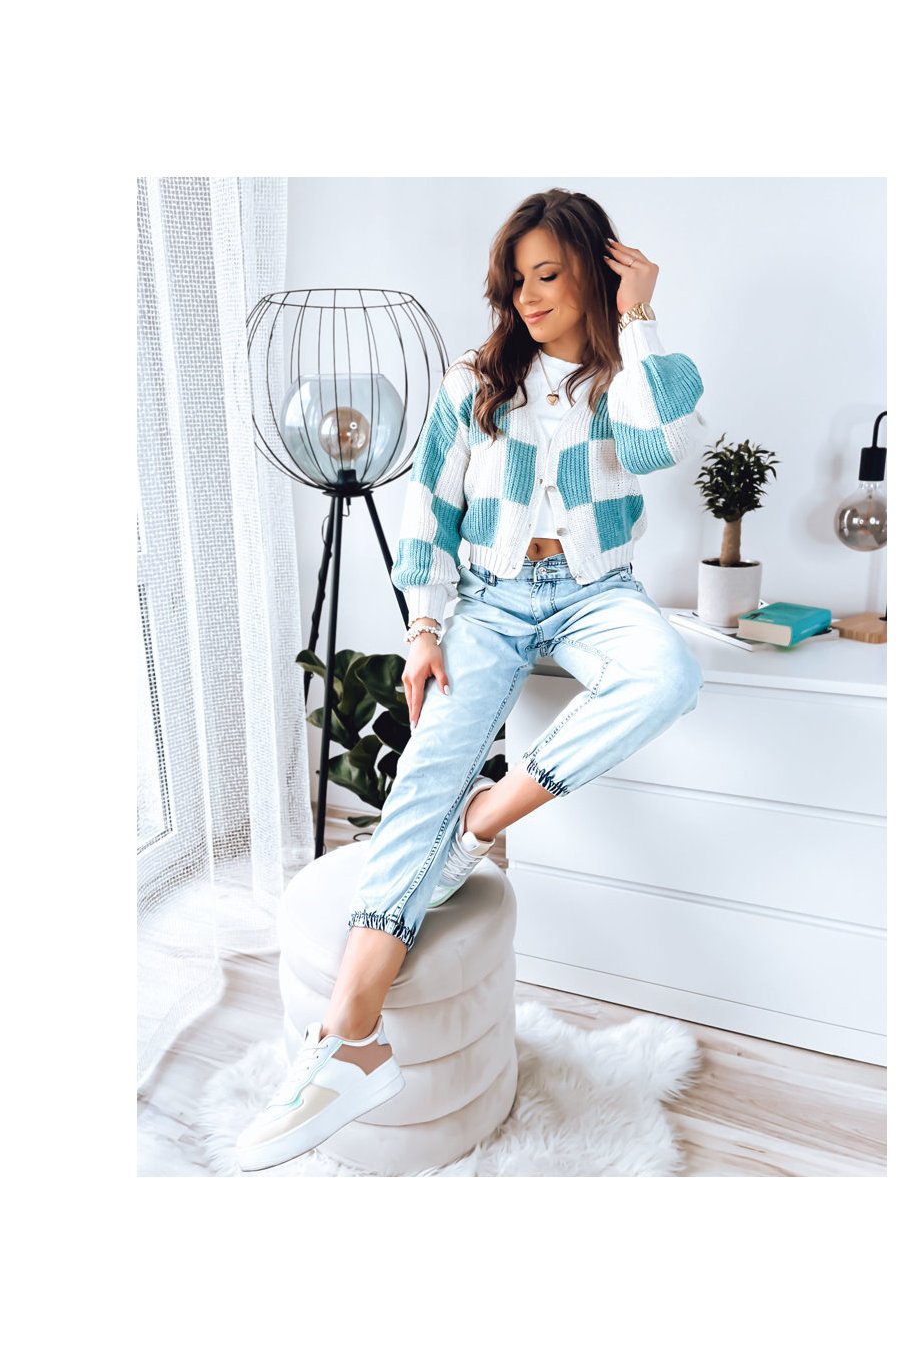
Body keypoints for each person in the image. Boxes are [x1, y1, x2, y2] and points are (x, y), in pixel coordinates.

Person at [236, 188, 708, 1172]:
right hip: (490, 599)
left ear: (596, 272)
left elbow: (663, 443)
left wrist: (642, 317)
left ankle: (481, 824)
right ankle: (350, 1036)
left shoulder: (629, 376)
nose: (528, 296)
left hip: (596, 591)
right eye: (517, 279)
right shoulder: (475, 381)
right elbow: (428, 510)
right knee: (427, 766)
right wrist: (423, 628)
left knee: (666, 672)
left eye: (550, 274)